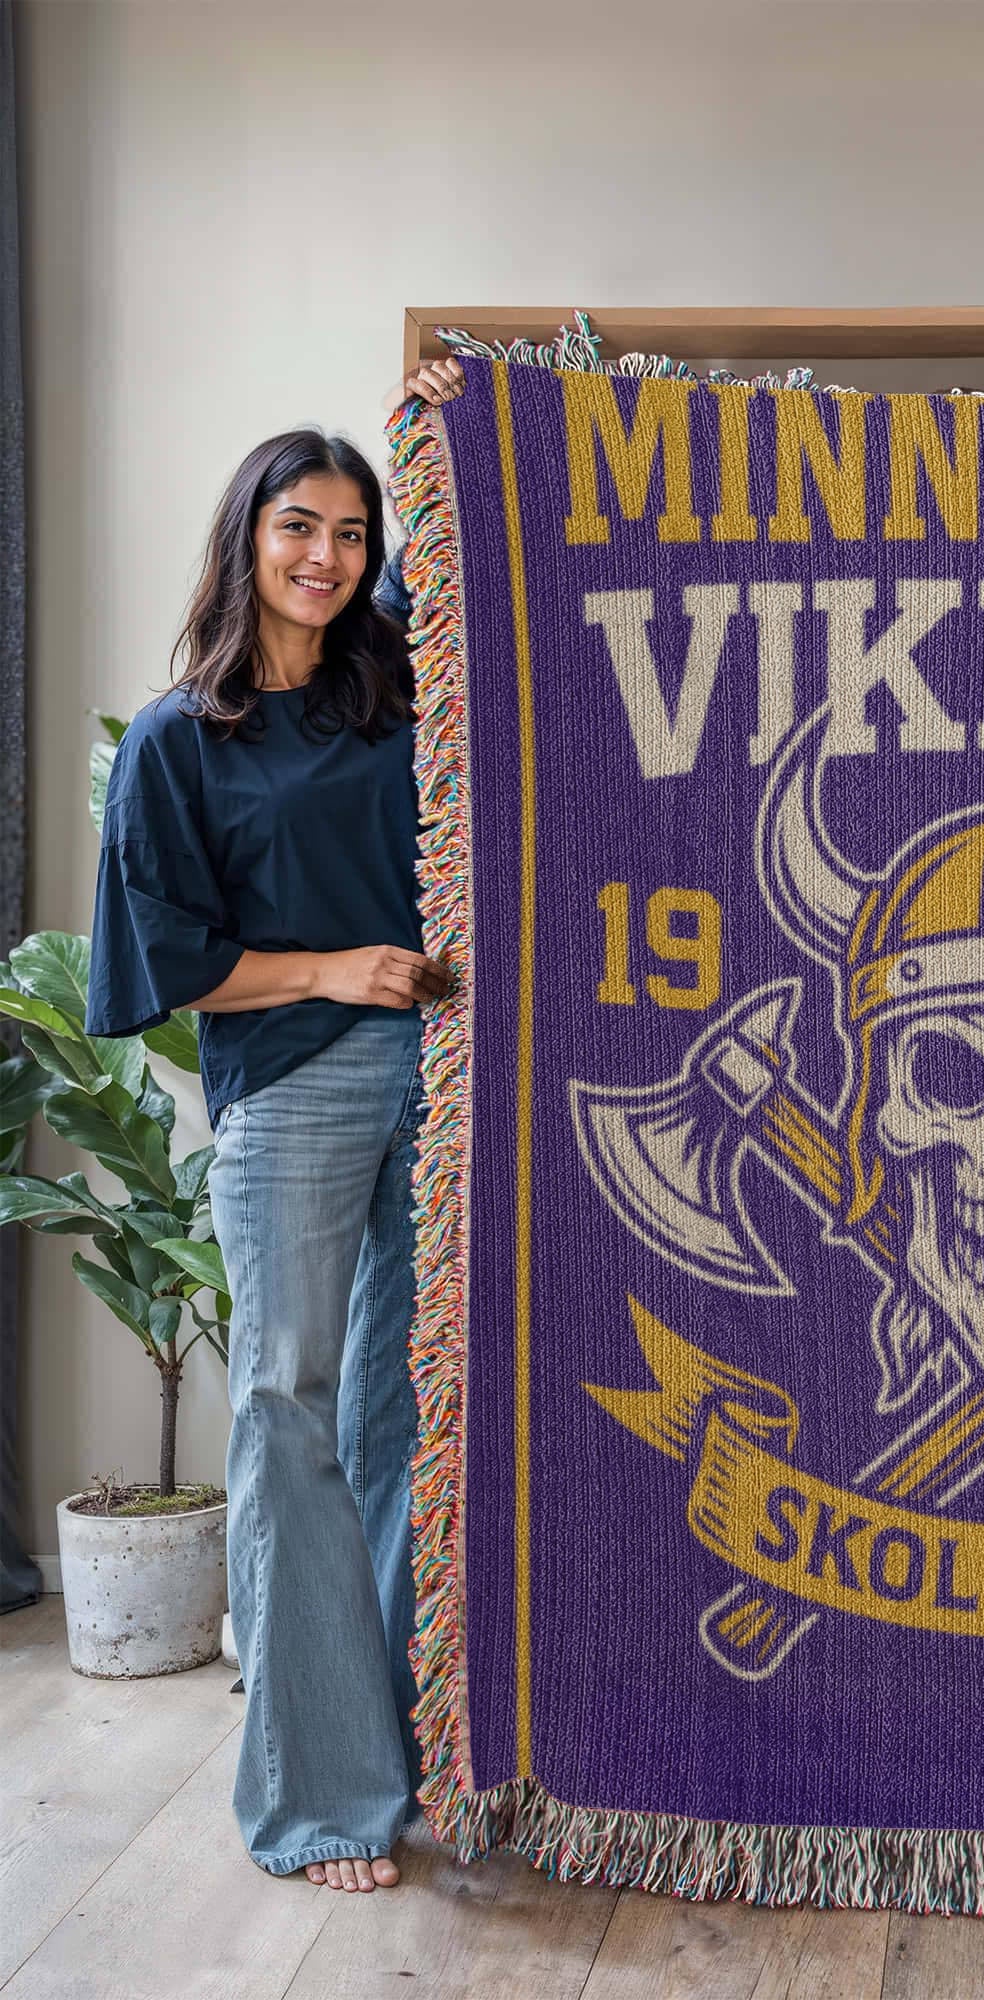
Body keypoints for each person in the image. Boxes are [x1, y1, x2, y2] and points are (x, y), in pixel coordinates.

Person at [83, 384, 461, 1891]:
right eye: (299, 527)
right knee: (287, 1409)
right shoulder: (179, 739)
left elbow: (486, 551)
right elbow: (165, 965)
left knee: (409, 1413)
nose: (326, 557)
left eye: (352, 534)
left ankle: (405, 1753)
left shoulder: (403, 686)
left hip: (445, 1081)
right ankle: (318, 1798)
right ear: (245, 537)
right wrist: (331, 971)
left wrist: (456, 423)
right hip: (294, 1092)